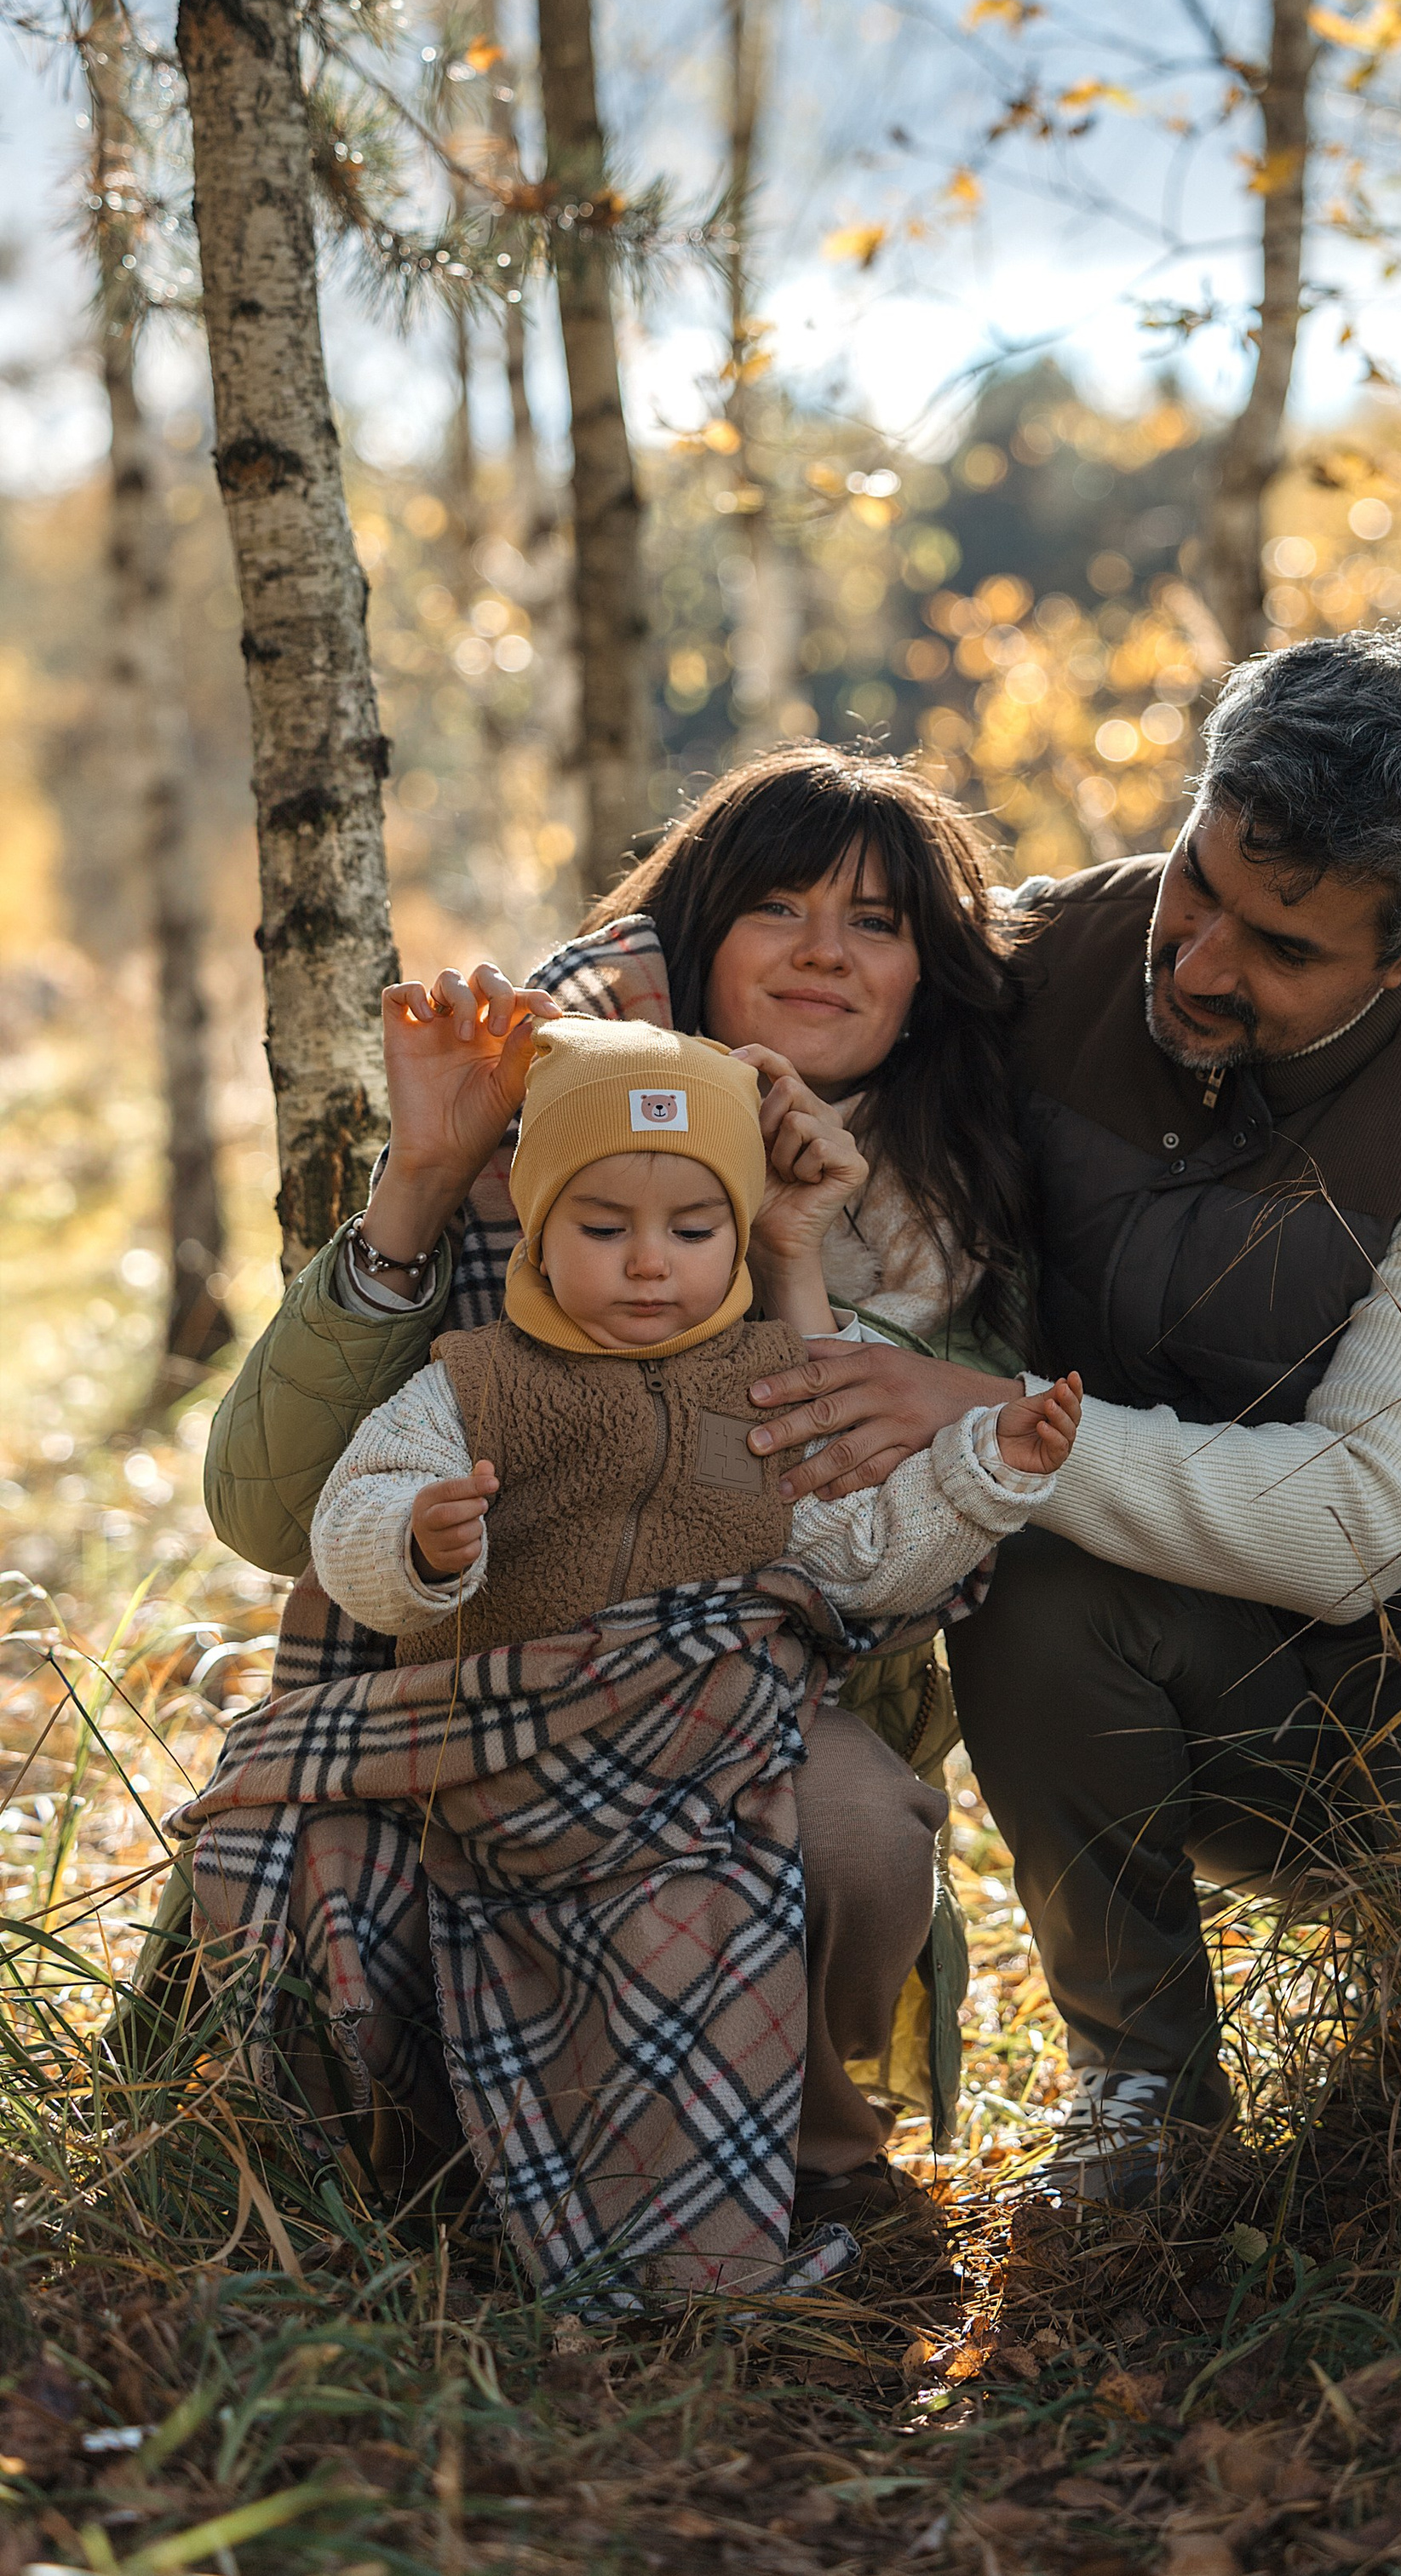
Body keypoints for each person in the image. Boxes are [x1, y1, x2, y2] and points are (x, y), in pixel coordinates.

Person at [732, 634, 1401, 2199]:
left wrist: (983, 1414)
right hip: (1182, 1620)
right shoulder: (1049, 953)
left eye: (1283, 949)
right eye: (1200, 883)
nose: (1196, 963)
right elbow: (781, 971)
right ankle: (1144, 2094)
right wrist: (577, 1025)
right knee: (1031, 1565)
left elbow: (1354, 1530)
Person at [185, 746, 1036, 2217]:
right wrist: (425, 1180)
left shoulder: (953, 1213)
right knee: (347, 1846)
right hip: (484, 1668)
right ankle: (448, 2170)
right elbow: (268, 1513)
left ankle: (797, 2152)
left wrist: (789, 1256)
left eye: (877, 921)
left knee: (854, 1835)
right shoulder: (541, 1148)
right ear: (699, 938)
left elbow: (877, 1555)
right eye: (779, 906)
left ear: (924, 976)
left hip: (768, 1699)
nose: (826, 950)